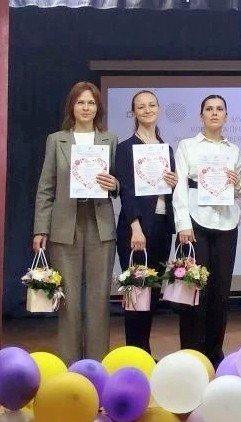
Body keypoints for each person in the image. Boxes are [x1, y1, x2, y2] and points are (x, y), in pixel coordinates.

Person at [33, 81, 119, 365]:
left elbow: (120, 182)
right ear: (72, 106)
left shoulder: (109, 140)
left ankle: (96, 365)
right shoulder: (56, 140)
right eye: (80, 102)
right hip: (64, 224)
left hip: (99, 224)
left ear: (98, 108)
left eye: (91, 103)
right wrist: (40, 228)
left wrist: (115, 184)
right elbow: (46, 187)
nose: (86, 107)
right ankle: (69, 365)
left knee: (98, 299)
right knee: (68, 299)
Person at [172, 95, 241, 367]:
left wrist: (237, 184)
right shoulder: (187, 146)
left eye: (219, 109)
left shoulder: (233, 150)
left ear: (226, 115)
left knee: (220, 292)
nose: (214, 113)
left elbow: (238, 191)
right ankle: (191, 356)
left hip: (226, 223)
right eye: (209, 109)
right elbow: (179, 186)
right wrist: (183, 224)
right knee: (193, 290)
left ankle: (215, 354)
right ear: (201, 114)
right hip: (194, 223)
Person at [115, 90, 178, 355]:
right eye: (141, 106)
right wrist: (136, 228)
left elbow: (169, 192)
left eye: (152, 105)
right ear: (134, 112)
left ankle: (145, 351)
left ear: (158, 109)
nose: (147, 109)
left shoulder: (166, 149)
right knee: (136, 293)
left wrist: (174, 183)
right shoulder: (125, 148)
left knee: (151, 295)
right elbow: (126, 191)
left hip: (163, 226)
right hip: (136, 230)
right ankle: (135, 354)